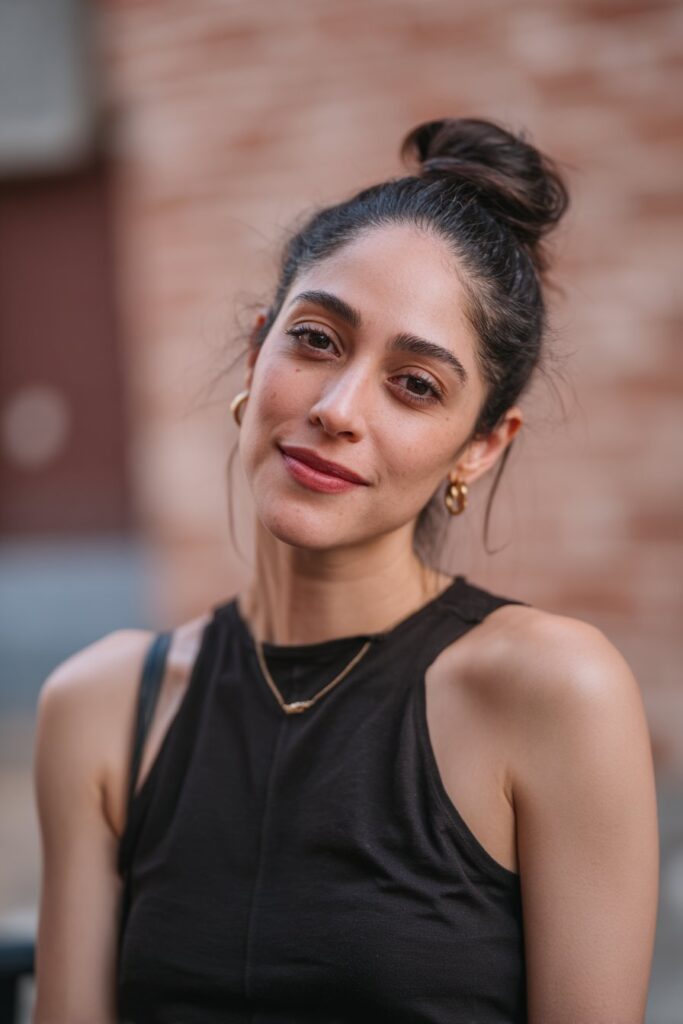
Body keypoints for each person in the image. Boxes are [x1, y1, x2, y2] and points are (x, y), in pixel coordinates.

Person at [33, 117, 659, 1024]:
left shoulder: (551, 691)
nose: (337, 408)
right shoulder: (99, 708)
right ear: (259, 351)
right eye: (317, 340)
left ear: (480, 448)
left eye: (416, 385)